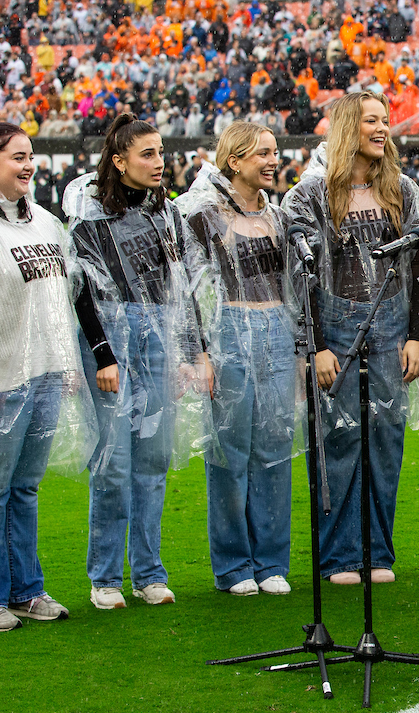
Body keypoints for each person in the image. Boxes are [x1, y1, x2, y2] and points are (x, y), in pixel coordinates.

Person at [0, 122, 109, 630]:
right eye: (16, 158)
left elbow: (61, 300)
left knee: (24, 488)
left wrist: (66, 362)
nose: (28, 166)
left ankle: (25, 590)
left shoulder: (46, 223)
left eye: (30, 157)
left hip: (45, 376)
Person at [65, 114, 213, 610]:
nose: (158, 163)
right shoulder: (88, 217)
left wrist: (192, 351)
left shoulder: (164, 213)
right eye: (146, 154)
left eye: (160, 153)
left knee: (153, 458)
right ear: (118, 159)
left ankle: (149, 572)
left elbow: (184, 287)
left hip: (157, 337)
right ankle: (105, 576)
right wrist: (102, 354)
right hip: (110, 339)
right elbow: (82, 290)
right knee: (113, 460)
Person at [282, 92, 419, 585]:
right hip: (336, 327)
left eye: (385, 120)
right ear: (347, 128)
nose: (383, 128)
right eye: (371, 121)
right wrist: (316, 344)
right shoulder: (309, 195)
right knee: (338, 438)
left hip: (391, 323)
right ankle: (339, 556)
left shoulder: (404, 190)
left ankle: (377, 553)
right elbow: (300, 280)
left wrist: (415, 336)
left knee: (385, 440)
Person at [177, 122, 295, 597]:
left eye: (274, 151)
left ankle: (271, 561)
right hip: (228, 331)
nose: (273, 160)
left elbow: (295, 286)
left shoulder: (280, 215)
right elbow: (186, 290)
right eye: (262, 153)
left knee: (274, 449)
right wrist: (199, 352)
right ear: (235, 160)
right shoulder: (201, 215)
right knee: (229, 452)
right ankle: (232, 565)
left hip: (277, 331)